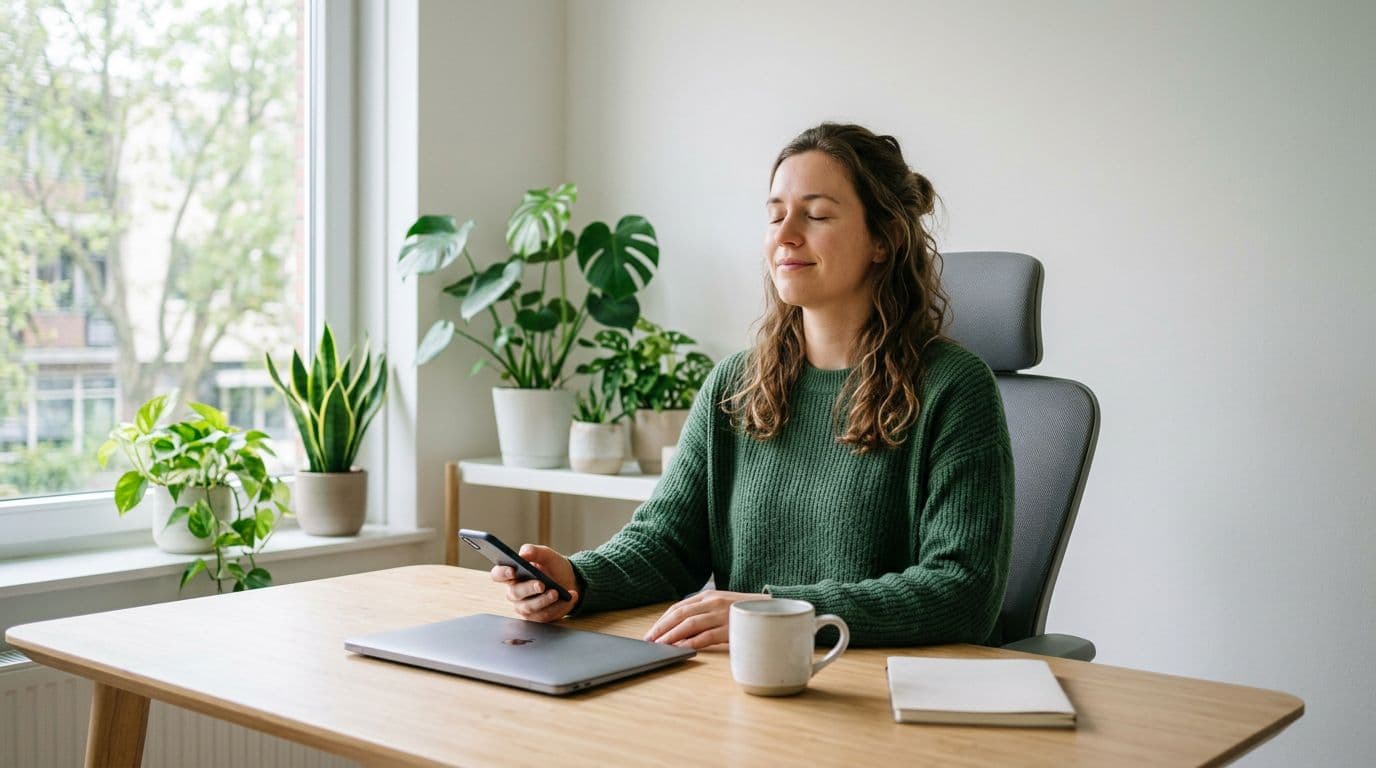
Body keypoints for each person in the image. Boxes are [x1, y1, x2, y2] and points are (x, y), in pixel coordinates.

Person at [490, 122, 1014, 649]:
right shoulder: (736, 384)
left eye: (816, 215)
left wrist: (777, 612)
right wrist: (576, 580)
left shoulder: (954, 389)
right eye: (774, 215)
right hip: (743, 686)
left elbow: (961, 591)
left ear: (884, 239)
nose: (785, 234)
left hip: (871, 695)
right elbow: (667, 543)